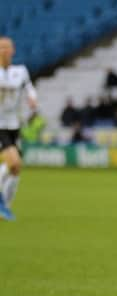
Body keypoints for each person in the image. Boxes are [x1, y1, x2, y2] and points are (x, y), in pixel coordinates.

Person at [0, 37, 37, 221]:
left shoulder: (20, 71)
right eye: (1, 48)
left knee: (16, 169)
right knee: (13, 162)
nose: (5, 51)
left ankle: (5, 206)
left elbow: (29, 87)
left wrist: (32, 97)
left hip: (15, 124)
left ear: (13, 50)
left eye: (8, 47)